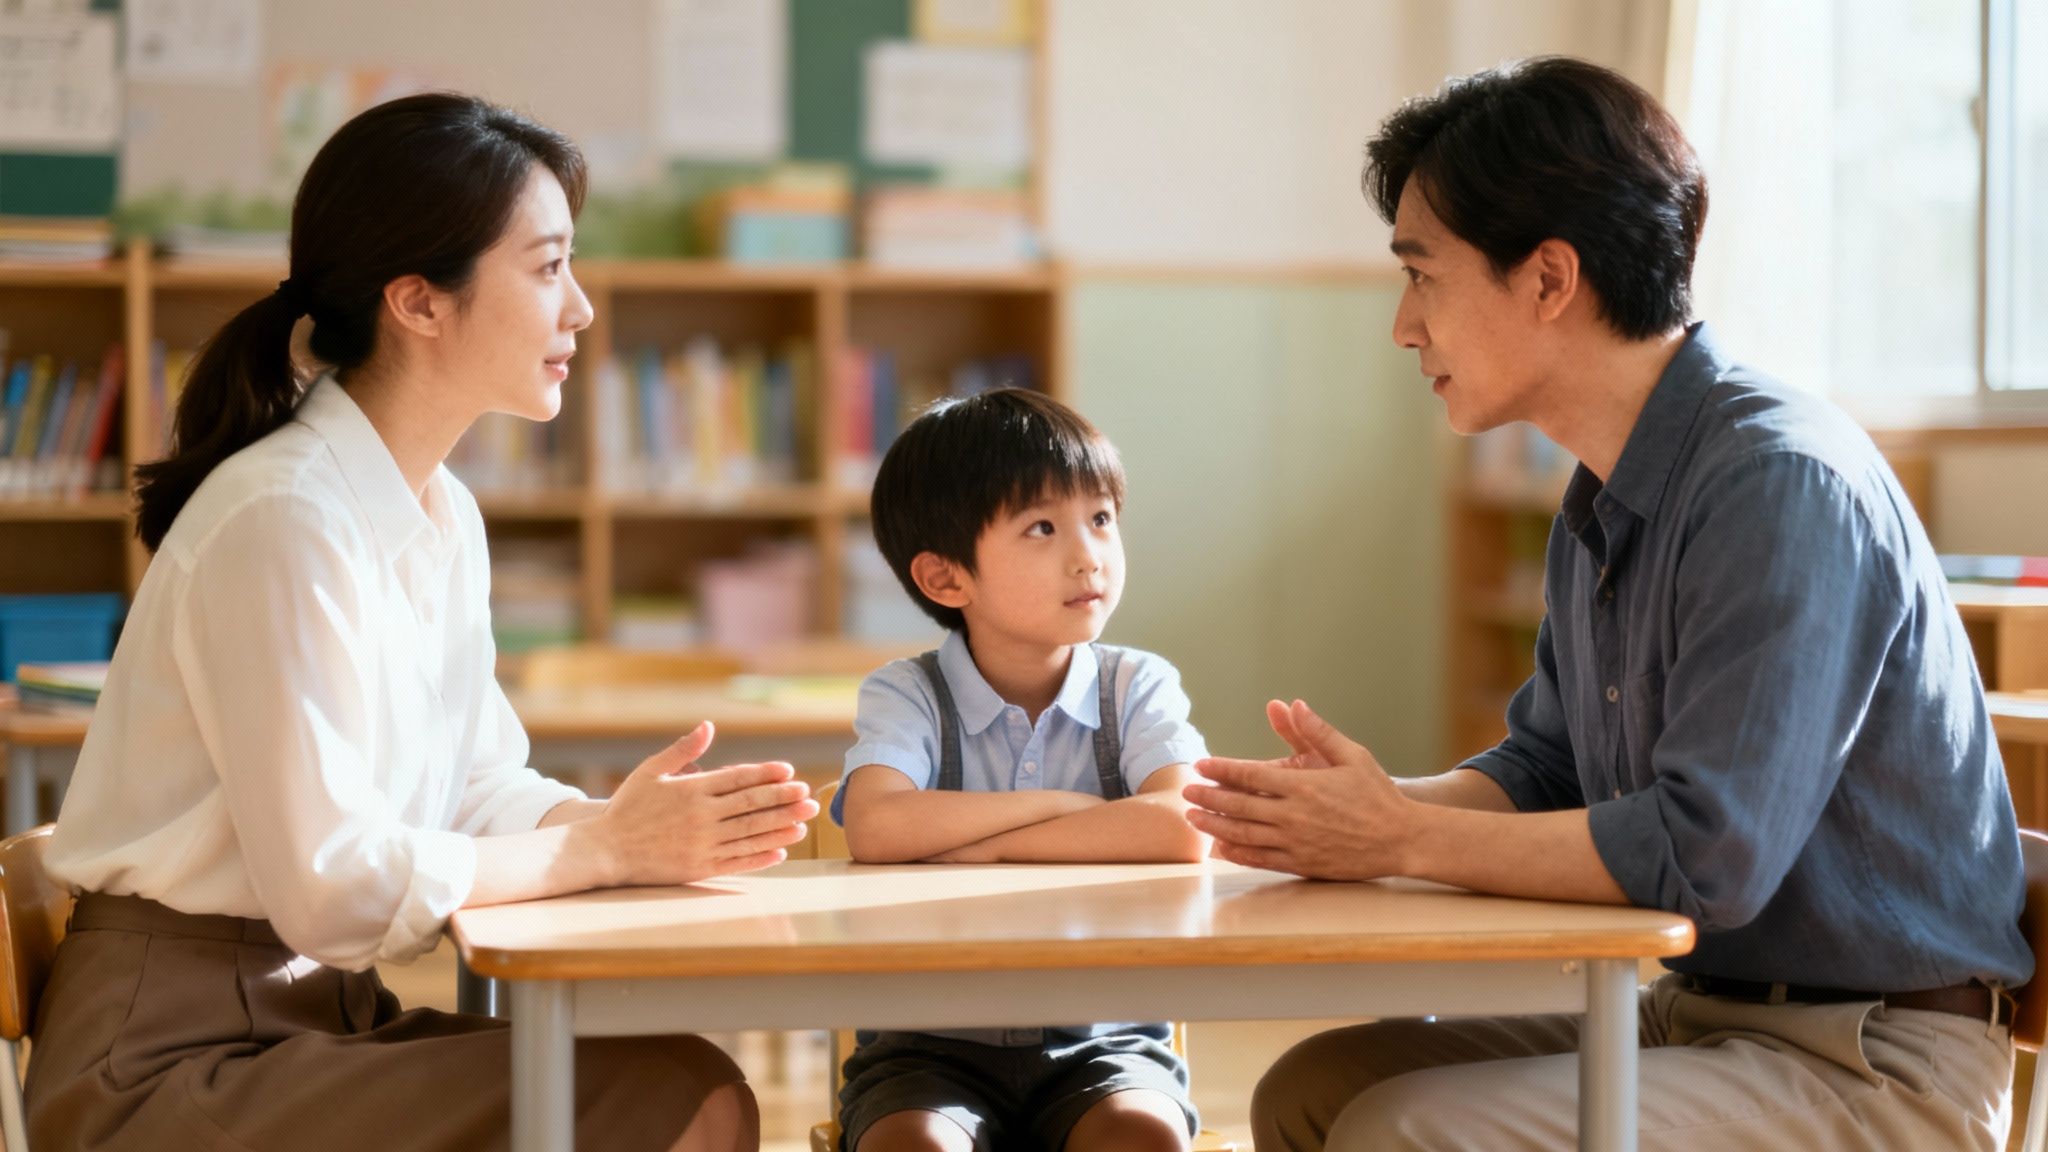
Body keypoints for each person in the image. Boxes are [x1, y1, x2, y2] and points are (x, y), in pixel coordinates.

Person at [1182, 57, 2033, 1151]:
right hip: (1706, 1018)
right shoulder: (1601, 492)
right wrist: (1349, 815)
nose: (1402, 325)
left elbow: (1703, 857)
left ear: (1546, 280)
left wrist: (1396, 837)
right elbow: (1545, 777)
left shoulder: (1777, 482)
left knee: (1398, 1127)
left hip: (1873, 1065)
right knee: (1313, 1088)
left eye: (1422, 275)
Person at [28, 92, 818, 1152]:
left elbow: (477, 784)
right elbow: (332, 887)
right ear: (420, 303)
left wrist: (626, 829)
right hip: (170, 1061)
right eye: (546, 269)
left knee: (683, 1080)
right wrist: (598, 856)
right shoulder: (285, 518)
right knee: (677, 1098)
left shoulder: (438, 511)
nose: (579, 308)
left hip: (300, 1015)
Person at [833, 387, 1208, 1152]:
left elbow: (1185, 825)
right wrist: (1074, 808)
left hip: (1106, 1043)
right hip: (925, 1048)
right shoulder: (906, 694)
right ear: (946, 579)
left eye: (1100, 518)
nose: (1088, 554)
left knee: (1141, 1136)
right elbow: (876, 824)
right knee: (917, 1147)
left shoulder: (1136, 684)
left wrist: (981, 845)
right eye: (1042, 526)